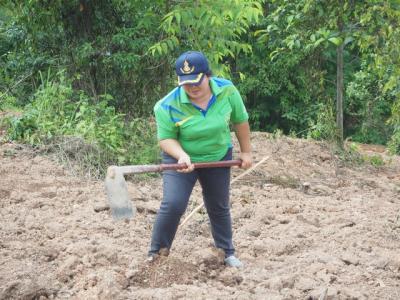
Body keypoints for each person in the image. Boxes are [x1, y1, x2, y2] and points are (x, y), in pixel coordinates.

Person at [148, 50, 252, 268]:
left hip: (217, 155)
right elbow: (166, 139)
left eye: (197, 81)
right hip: (181, 158)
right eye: (186, 83)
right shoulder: (167, 105)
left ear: (208, 76)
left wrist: (246, 152)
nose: (192, 87)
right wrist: (181, 155)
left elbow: (240, 121)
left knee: (218, 204)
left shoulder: (227, 91)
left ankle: (226, 253)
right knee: (174, 203)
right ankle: (156, 254)